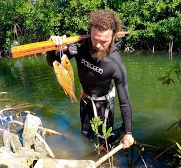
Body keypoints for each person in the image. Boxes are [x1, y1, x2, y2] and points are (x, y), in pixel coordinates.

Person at [46, 10, 134, 149]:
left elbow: (124, 102)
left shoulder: (115, 64)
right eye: (95, 39)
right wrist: (53, 47)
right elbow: (53, 62)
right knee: (85, 134)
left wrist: (128, 133)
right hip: (85, 98)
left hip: (104, 102)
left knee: (106, 139)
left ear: (113, 36)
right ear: (90, 33)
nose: (98, 45)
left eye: (104, 41)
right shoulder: (81, 46)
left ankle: (119, 133)